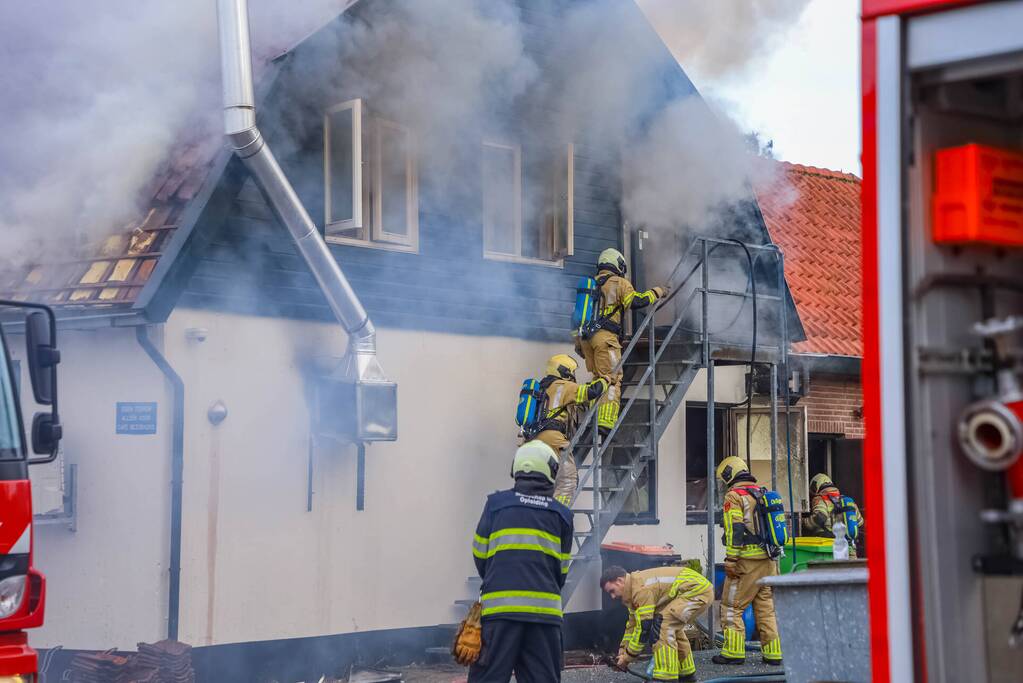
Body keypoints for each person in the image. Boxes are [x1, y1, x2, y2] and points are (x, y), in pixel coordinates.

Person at [468, 441, 574, 683]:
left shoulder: (495, 506)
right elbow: (562, 571)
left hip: (500, 614)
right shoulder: (562, 515)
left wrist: (500, 578)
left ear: (516, 468)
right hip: (544, 617)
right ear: (550, 472)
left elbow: (480, 554)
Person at [577, 248, 668, 435]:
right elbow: (637, 302)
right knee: (612, 379)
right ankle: (605, 423)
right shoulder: (619, 283)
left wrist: (579, 344)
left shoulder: (591, 285)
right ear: (618, 265)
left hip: (586, 339)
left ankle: (594, 419)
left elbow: (577, 317)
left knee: (598, 380)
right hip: (606, 340)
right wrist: (658, 291)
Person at [712, 456, 783, 666]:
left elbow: (736, 529)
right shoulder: (760, 492)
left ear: (728, 475)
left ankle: (733, 653)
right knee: (766, 608)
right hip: (769, 562)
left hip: (746, 562)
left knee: (732, 607)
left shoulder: (734, 496)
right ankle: (773, 654)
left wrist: (731, 559)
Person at [600, 565, 714, 682]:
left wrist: (628, 658)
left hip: (697, 592)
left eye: (612, 591)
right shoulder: (634, 589)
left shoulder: (640, 589)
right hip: (697, 590)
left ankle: (665, 677)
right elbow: (632, 625)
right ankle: (686, 674)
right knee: (672, 628)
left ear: (620, 580)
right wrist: (622, 649)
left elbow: (644, 629)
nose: (613, 596)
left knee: (663, 625)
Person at [531, 353, 608, 505]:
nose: (573, 375)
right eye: (572, 372)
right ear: (565, 371)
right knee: (568, 481)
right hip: (553, 439)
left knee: (544, 483)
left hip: (533, 441)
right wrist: (605, 380)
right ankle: (556, 517)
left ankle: (538, 515)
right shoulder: (563, 386)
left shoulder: (542, 388)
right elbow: (591, 392)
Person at [805, 473, 864, 557]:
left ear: (816, 486)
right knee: (850, 569)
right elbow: (860, 522)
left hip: (830, 547)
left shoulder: (820, 499)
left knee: (833, 569)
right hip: (850, 547)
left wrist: (805, 523)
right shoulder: (847, 501)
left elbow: (820, 517)